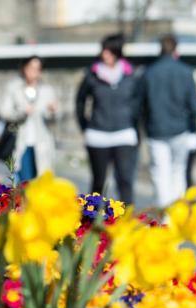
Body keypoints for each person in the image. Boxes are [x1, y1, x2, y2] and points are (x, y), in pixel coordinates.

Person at [75, 34, 141, 204]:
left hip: (124, 133)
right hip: (98, 135)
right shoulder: (92, 75)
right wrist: (85, 125)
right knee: (99, 182)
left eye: (109, 51)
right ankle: (92, 223)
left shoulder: (130, 75)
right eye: (103, 50)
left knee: (125, 180)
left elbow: (138, 102)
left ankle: (128, 221)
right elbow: (80, 100)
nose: (105, 54)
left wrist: (135, 125)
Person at [143, 34, 196, 207]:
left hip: (156, 129)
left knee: (160, 173)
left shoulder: (149, 72)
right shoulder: (186, 71)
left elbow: (141, 104)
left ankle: (164, 216)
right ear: (176, 50)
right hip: (180, 129)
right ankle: (178, 213)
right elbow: (194, 105)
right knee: (178, 171)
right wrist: (193, 126)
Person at [0, 56, 58, 182]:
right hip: (20, 142)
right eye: (31, 68)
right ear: (24, 69)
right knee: (23, 182)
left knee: (40, 181)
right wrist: (21, 113)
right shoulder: (14, 89)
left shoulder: (47, 90)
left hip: (41, 142)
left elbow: (54, 118)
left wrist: (52, 111)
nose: (33, 71)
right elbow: (5, 112)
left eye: (37, 69)